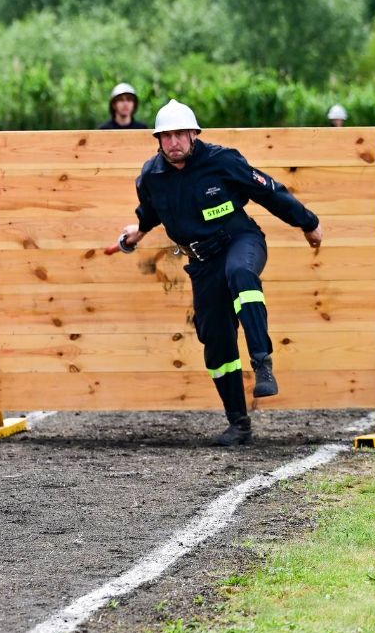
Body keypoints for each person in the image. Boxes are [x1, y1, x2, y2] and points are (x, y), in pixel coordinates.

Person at [109, 99, 324, 446]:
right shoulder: (150, 177)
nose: (174, 142)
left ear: (194, 135)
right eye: (167, 136)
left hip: (240, 239)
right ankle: (238, 423)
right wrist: (138, 232)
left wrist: (308, 223)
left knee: (241, 275)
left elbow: (269, 191)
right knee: (215, 338)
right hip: (202, 262)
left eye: (180, 134)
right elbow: (150, 211)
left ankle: (262, 361)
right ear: (158, 139)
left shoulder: (223, 160)